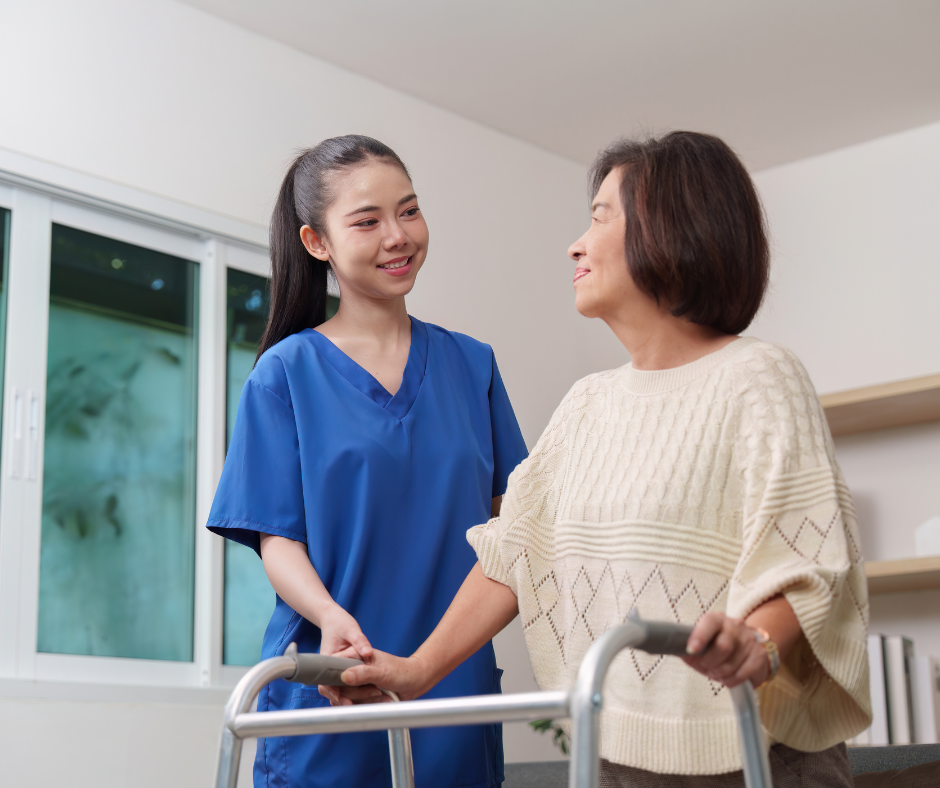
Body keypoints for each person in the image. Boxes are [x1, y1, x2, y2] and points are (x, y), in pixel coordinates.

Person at [339, 132, 871, 787]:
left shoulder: (759, 377)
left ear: (669, 230)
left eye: (599, 218)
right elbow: (516, 553)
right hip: (612, 753)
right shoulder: (587, 404)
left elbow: (808, 559)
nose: (576, 244)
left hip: (750, 751)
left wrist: (755, 646)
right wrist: (416, 672)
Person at [206, 135, 528, 788]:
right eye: (368, 220)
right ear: (317, 242)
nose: (397, 236)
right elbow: (278, 540)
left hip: (454, 689)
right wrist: (328, 616)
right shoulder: (285, 375)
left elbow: (517, 534)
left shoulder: (474, 367)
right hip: (333, 679)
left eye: (408, 211)